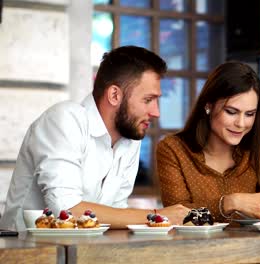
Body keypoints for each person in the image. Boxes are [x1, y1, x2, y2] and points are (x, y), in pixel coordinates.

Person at [0, 46, 189, 231]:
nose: (156, 112)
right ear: (114, 95)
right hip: (26, 253)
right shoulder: (65, 119)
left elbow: (117, 215)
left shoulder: (130, 140)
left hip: (85, 253)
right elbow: (67, 210)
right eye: (148, 100)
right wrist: (159, 215)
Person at [156, 61, 260, 222]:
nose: (241, 124)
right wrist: (230, 202)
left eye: (249, 114)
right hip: (195, 247)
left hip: (253, 246)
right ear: (209, 105)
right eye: (231, 112)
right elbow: (176, 215)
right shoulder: (172, 149)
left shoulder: (258, 148)